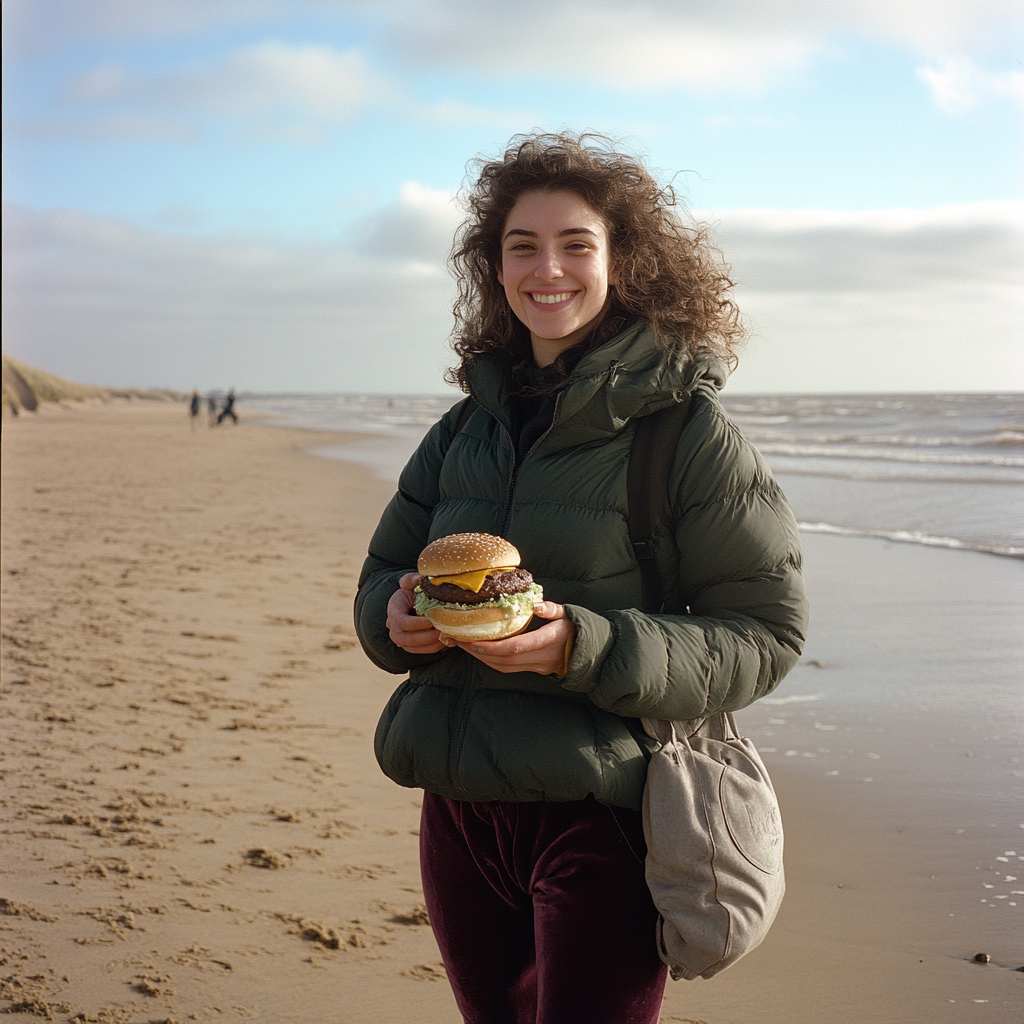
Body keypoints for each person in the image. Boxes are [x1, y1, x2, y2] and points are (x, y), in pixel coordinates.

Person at [354, 133, 809, 1024]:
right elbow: (385, 571)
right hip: (457, 810)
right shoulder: (465, 428)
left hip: (602, 812)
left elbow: (766, 634)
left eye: (576, 244)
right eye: (522, 246)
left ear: (621, 262)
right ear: (495, 267)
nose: (547, 268)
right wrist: (393, 617)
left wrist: (584, 646)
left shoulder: (687, 434)